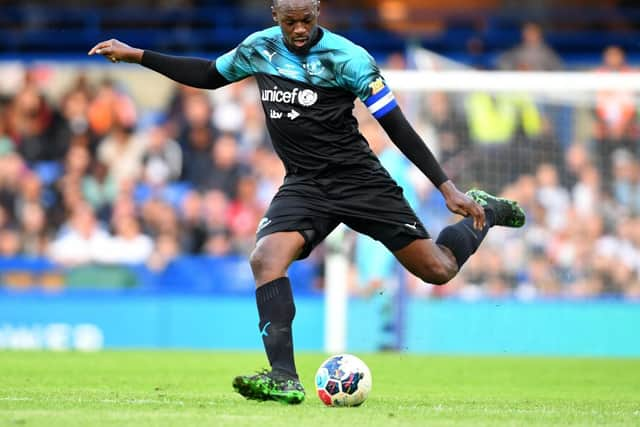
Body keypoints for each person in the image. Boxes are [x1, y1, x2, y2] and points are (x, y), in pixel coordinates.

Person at [89, 0, 525, 405]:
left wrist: (446, 185)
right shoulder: (258, 48)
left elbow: (396, 126)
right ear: (275, 13)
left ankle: (485, 213)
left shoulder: (349, 58)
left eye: (307, 19)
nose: (299, 29)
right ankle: (284, 378)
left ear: (318, 11)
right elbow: (208, 75)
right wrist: (138, 55)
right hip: (305, 185)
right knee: (265, 259)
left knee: (438, 269)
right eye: (289, 20)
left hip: (359, 181)